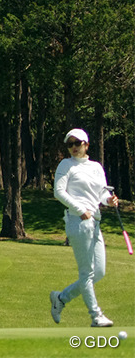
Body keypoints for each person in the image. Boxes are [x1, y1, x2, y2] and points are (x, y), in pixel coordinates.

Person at [49, 127, 118, 328]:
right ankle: (96, 316)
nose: (73, 148)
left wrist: (110, 201)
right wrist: (80, 209)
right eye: (70, 144)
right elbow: (58, 192)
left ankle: (61, 298)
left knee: (99, 272)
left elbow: (102, 194)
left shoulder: (96, 167)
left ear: (86, 144)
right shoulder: (66, 165)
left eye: (77, 143)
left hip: (94, 221)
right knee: (87, 272)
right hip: (77, 221)